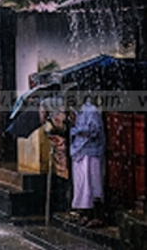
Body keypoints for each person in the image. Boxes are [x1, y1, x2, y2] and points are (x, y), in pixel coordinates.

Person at [70, 98, 105, 228]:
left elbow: (95, 131)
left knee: (93, 183)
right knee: (82, 185)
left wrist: (77, 130)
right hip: (79, 151)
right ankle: (87, 214)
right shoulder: (76, 112)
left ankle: (98, 216)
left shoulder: (91, 111)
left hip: (91, 152)